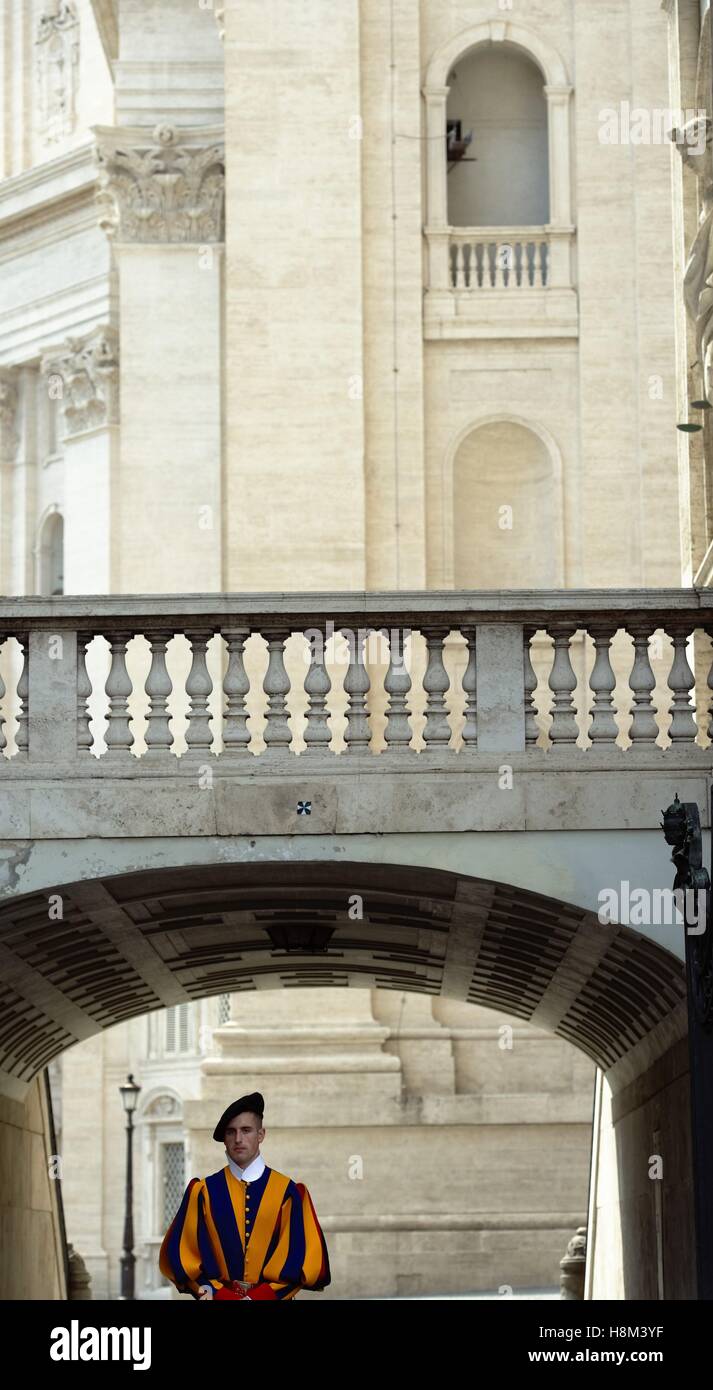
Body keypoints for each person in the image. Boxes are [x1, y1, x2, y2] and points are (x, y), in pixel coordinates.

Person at [159, 1091, 330, 1300]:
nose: (238, 1139)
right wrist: (219, 1296)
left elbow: (298, 1260)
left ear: (261, 1135)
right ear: (224, 1139)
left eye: (246, 1130)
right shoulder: (203, 1192)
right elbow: (187, 1258)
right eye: (231, 1132)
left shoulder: (288, 1192)